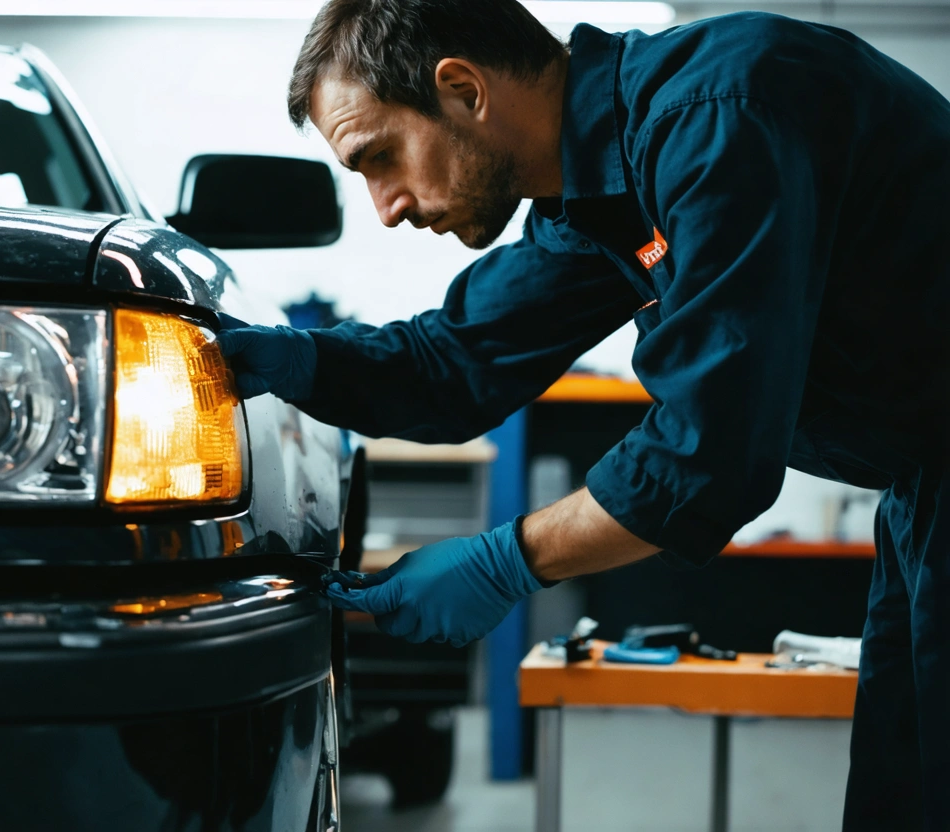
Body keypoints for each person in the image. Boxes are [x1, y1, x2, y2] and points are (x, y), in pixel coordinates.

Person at [215, 1, 950, 827]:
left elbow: (707, 455)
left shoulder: (715, 119)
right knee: (909, 793)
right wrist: (305, 361)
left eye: (380, 157)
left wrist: (507, 561)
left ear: (462, 89)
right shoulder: (597, 201)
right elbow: (458, 363)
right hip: (926, 493)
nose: (386, 205)